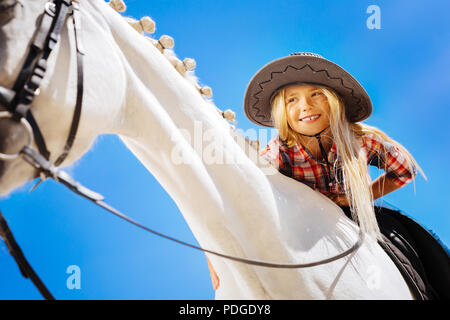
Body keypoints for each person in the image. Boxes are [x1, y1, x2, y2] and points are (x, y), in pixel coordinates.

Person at [206, 52, 432, 294]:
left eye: (316, 94)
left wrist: (361, 196)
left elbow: (404, 170)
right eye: (292, 100)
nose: (305, 106)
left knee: (416, 249)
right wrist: (214, 254)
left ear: (334, 101)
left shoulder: (359, 141)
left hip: (357, 220)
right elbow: (242, 195)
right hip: (304, 227)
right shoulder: (279, 153)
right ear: (282, 112)